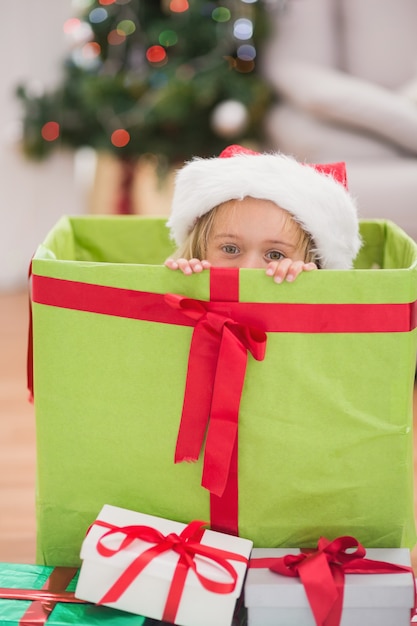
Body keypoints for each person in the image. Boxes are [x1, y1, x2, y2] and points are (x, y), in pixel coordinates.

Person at [165, 144, 361, 282]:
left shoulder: (311, 291)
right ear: (200, 249)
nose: (248, 268)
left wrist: (307, 289)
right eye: (230, 249)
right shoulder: (189, 280)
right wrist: (179, 286)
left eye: (275, 255)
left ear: (314, 263)